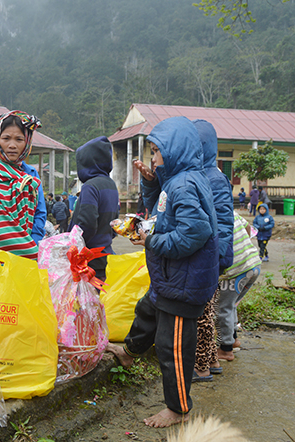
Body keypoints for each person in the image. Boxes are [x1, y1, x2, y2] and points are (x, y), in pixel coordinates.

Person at [106, 116, 219, 428]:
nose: (152, 158)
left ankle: (178, 408)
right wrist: (151, 181)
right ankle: (129, 351)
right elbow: (159, 209)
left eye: (156, 151)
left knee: (173, 347)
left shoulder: (183, 185)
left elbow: (194, 233)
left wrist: (152, 240)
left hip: (184, 282)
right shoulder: (179, 180)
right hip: (171, 278)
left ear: (176, 151)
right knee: (147, 310)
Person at [191, 119, 234, 383]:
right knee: (208, 310)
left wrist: (217, 258)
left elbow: (223, 222)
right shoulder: (206, 175)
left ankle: (202, 367)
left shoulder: (214, 179)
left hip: (212, 257)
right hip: (211, 256)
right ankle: (213, 360)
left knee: (203, 315)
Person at [0, 110, 45, 259]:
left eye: (19, 139)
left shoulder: (30, 177)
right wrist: (23, 247)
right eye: (6, 138)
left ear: (27, 142)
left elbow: (39, 212)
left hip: (27, 254)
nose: (12, 145)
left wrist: (33, 243)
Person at [68, 136, 120, 281]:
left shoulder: (90, 186)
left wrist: (74, 249)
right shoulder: (111, 184)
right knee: (100, 300)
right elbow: (115, 220)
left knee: (87, 302)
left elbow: (87, 223)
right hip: (106, 255)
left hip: (89, 260)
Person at [216, 211, 261, 362]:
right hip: (253, 264)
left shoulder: (211, 214)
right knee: (231, 304)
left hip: (236, 271)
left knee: (223, 308)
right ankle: (234, 340)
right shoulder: (229, 211)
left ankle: (226, 349)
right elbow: (248, 227)